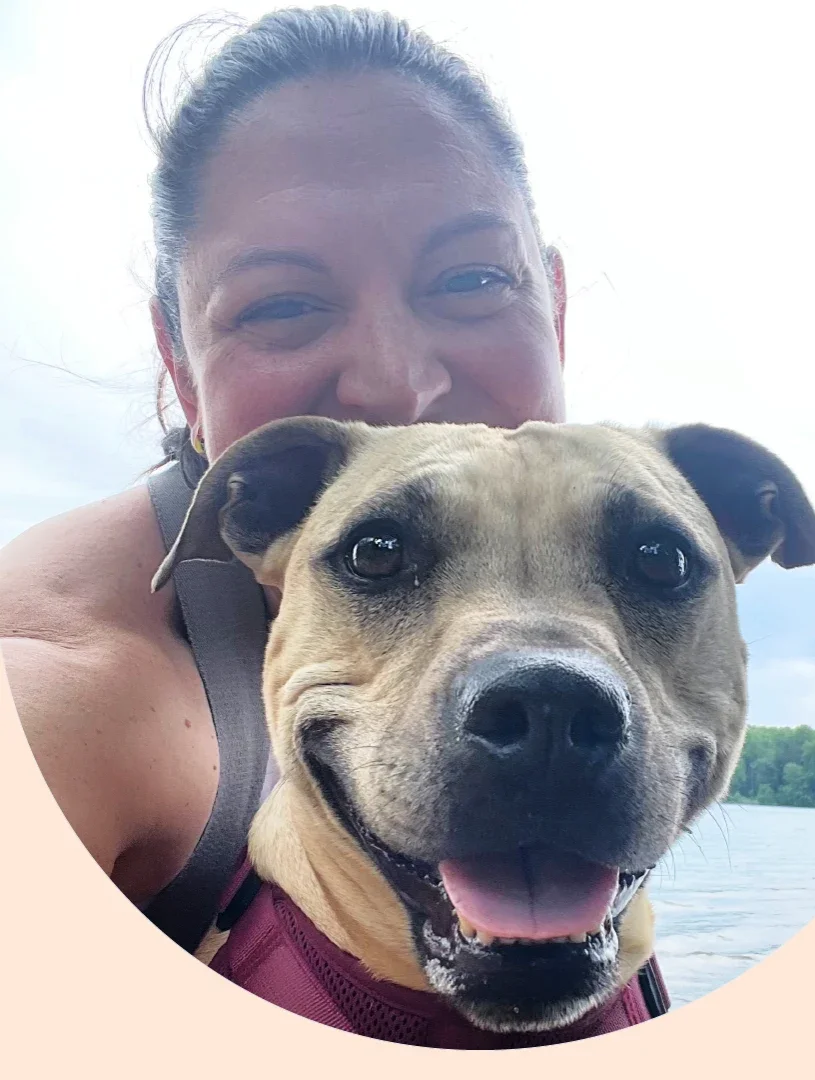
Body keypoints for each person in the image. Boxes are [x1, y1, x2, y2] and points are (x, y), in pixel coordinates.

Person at [0, 6, 572, 956]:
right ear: (181, 369)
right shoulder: (74, 698)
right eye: (284, 305)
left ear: (553, 316)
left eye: (471, 280)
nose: (397, 383)